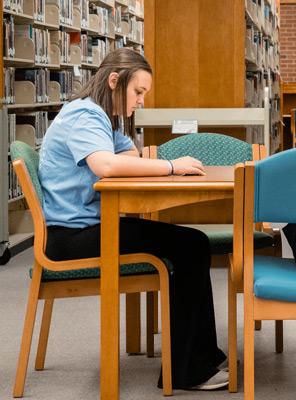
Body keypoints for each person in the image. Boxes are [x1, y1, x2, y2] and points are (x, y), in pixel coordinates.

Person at [39, 48, 228, 390]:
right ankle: (187, 370)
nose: (141, 101)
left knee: (192, 243)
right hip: (71, 237)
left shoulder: (101, 116)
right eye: (137, 92)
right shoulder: (84, 115)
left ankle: (203, 355)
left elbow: (129, 154)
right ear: (114, 81)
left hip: (86, 225)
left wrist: (126, 145)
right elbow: (107, 166)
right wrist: (172, 166)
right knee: (191, 246)